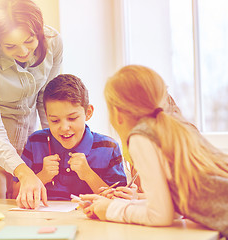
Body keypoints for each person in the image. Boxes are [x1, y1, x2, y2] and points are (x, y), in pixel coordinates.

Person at [75, 65, 228, 237]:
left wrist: (110, 210)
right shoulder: (174, 130)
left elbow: (160, 216)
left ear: (117, 113)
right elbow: (171, 208)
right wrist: (108, 205)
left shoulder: (141, 136)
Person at [0, 0, 63, 209]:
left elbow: (48, 100)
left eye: (30, 40)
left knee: (28, 212)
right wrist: (24, 171)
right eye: (10, 46)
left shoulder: (53, 42)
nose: (24, 51)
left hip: (28, 143)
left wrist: (56, 144)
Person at [12, 74, 127, 200]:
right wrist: (43, 176)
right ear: (47, 116)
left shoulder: (109, 147)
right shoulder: (36, 142)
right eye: (55, 120)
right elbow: (14, 195)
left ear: (88, 113)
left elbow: (119, 201)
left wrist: (88, 175)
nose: (64, 127)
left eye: (72, 118)